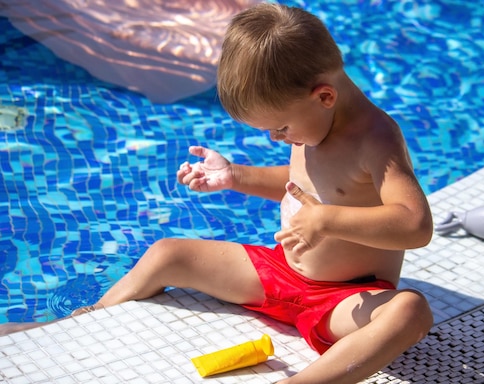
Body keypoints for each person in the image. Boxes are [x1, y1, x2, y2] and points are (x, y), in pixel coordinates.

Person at [2, 4, 434, 383]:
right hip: (279, 273)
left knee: (409, 312)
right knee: (168, 252)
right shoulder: (314, 123)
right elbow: (307, 183)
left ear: (323, 96)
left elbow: (415, 224)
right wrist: (236, 177)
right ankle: (80, 321)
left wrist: (327, 220)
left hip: (344, 298)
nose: (275, 137)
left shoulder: (375, 138)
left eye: (280, 127)